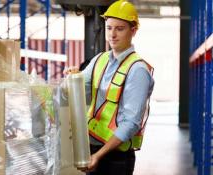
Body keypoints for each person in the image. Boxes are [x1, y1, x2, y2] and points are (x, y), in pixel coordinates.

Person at [65, 1, 154, 175]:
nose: (112, 34)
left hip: (116, 158)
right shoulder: (100, 59)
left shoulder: (138, 70)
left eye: (119, 29)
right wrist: (73, 77)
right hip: (93, 149)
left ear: (133, 30)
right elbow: (83, 92)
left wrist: (99, 155)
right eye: (109, 28)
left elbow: (131, 123)